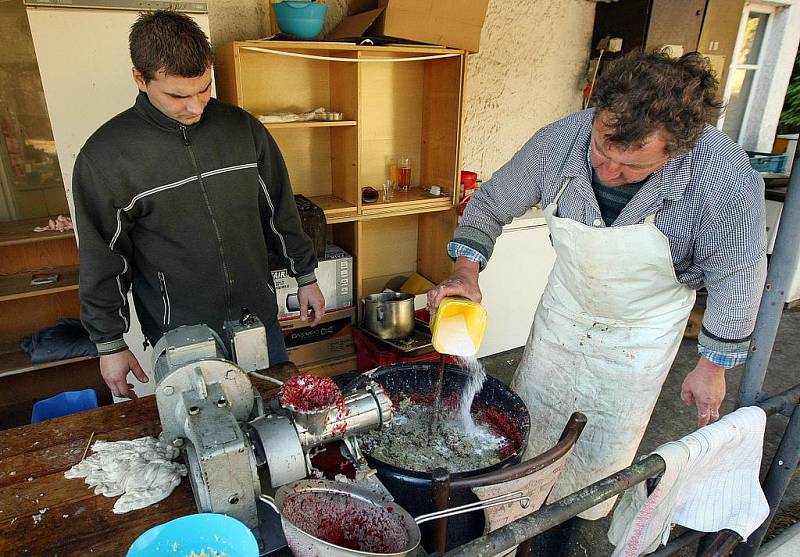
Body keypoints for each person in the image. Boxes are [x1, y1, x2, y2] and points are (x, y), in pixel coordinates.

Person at [428, 51, 767, 521]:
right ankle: (515, 523)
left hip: (639, 337)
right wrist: (465, 271)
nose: (608, 172)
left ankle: (570, 532)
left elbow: (739, 274)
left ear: (677, 149)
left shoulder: (723, 178)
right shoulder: (560, 141)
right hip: (564, 315)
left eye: (630, 168)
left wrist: (713, 364)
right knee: (527, 436)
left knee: (597, 466)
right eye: (601, 152)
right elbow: (489, 204)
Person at [73, 11, 325, 399]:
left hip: (258, 322)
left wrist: (305, 276)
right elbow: (103, 261)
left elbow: (279, 211)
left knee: (277, 428)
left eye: (204, 89)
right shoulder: (106, 158)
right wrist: (110, 343)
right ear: (140, 78)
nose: (195, 107)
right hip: (182, 339)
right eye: (177, 95)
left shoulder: (242, 130)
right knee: (207, 444)